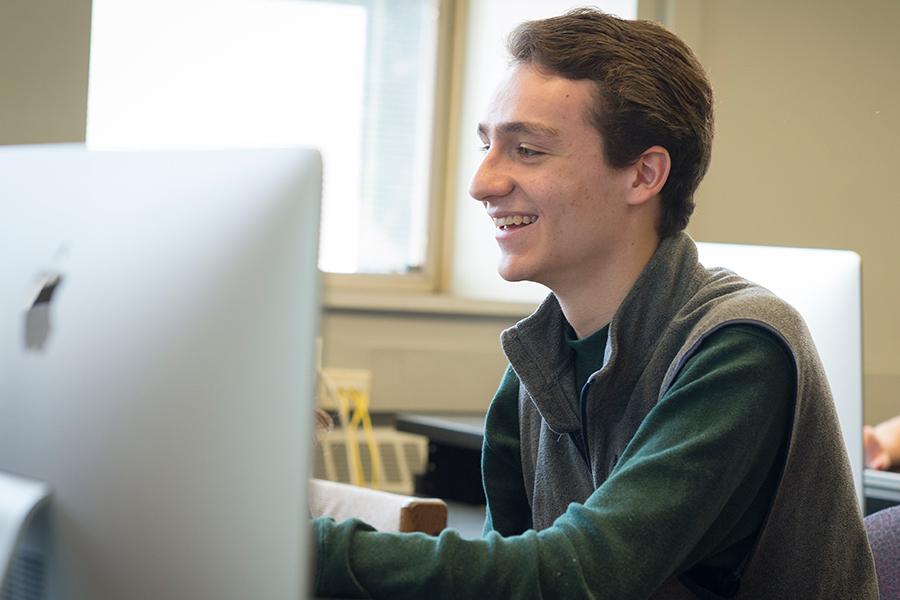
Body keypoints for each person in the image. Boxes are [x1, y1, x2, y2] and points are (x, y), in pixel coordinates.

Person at [312, 8, 877, 599]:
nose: (482, 183)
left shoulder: (740, 349)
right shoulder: (535, 367)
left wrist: (301, 549)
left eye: (527, 150)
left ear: (643, 175)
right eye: (487, 146)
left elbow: (583, 576)